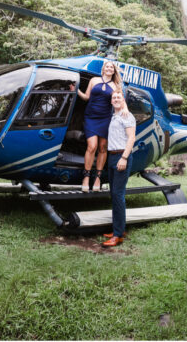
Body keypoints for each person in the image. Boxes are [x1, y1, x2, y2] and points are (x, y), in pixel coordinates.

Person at [72, 61, 123, 191]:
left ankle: (98, 178)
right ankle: (86, 177)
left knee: (102, 148)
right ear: (103, 69)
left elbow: (119, 102)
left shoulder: (115, 85)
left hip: (105, 119)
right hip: (90, 118)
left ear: (113, 71)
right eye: (107, 66)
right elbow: (86, 97)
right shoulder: (94, 80)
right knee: (92, 146)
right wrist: (76, 91)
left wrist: (125, 111)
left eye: (111, 67)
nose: (109, 68)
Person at [102, 90, 136, 247]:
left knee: (118, 194)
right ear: (111, 102)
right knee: (114, 194)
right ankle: (118, 230)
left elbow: (131, 138)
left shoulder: (126, 116)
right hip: (112, 156)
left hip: (122, 156)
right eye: (113, 98)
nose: (115, 99)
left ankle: (118, 236)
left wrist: (124, 158)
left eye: (118, 97)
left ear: (123, 100)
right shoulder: (114, 115)